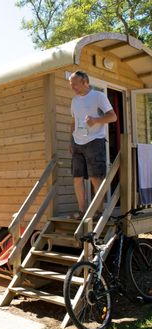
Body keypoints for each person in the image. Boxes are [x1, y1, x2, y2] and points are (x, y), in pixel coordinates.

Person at [68, 70, 117, 220]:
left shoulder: (98, 96)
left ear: (85, 82)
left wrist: (96, 120)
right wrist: (70, 140)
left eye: (75, 84)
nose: (72, 87)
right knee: (77, 178)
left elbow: (113, 116)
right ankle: (82, 212)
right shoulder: (75, 100)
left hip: (95, 142)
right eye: (71, 84)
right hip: (77, 143)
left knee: (96, 178)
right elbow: (74, 121)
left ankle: (98, 212)